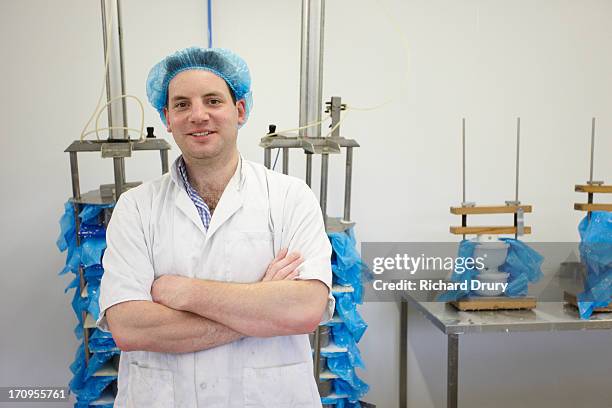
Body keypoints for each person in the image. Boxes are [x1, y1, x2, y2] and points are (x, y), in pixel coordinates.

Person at [97, 46, 334, 407]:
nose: (198, 115)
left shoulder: (289, 197)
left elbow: (304, 309)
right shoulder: (135, 208)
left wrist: (185, 292)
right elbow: (129, 327)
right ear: (166, 116)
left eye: (212, 101)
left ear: (239, 111)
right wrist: (261, 306)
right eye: (181, 104)